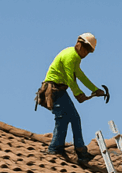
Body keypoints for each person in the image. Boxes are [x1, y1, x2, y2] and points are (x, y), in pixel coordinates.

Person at [40, 33, 105, 165]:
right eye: (85, 49)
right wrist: (78, 94)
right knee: (67, 118)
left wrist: (94, 89)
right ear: (79, 44)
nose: (86, 53)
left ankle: (67, 150)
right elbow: (71, 78)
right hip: (54, 90)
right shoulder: (70, 56)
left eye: (88, 51)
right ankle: (66, 150)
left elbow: (80, 75)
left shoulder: (75, 57)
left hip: (59, 90)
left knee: (69, 118)